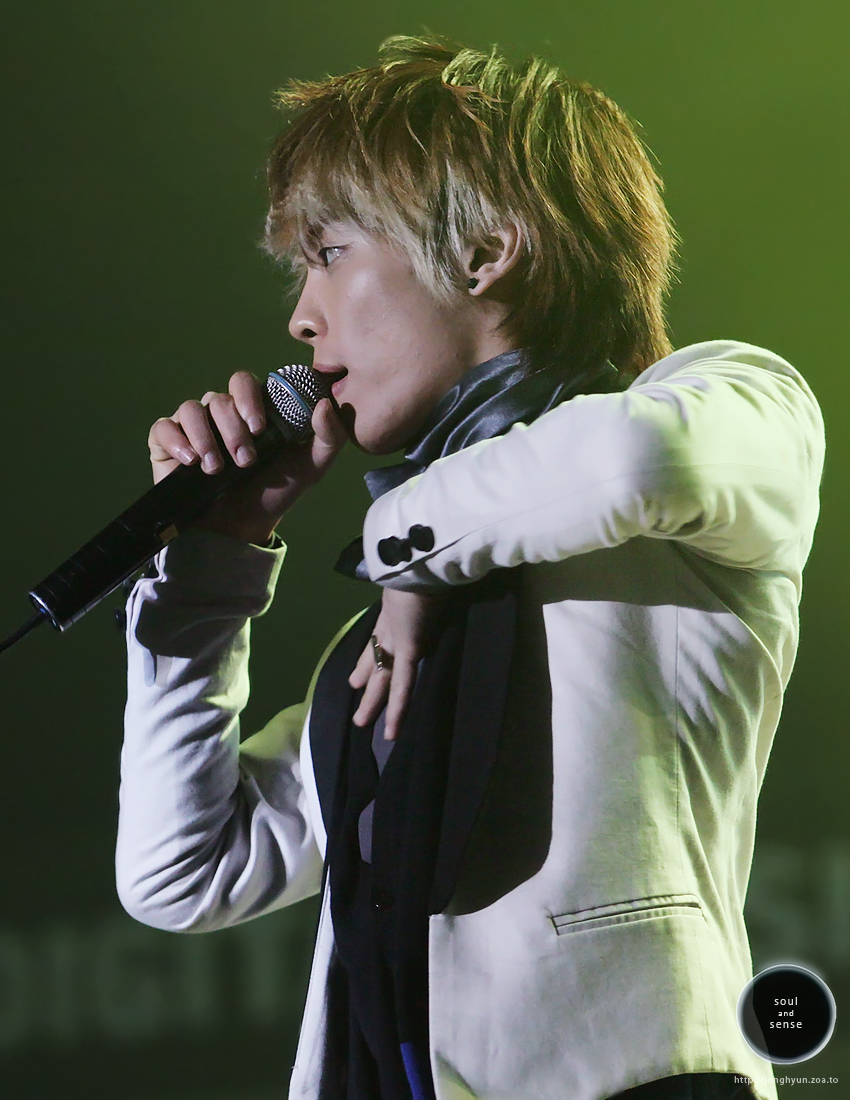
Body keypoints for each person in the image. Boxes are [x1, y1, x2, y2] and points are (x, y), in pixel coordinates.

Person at [115, 35, 824, 1100]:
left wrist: (405, 544)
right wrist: (213, 562)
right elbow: (182, 871)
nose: (300, 316)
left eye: (328, 253)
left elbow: (639, 462)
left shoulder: (733, 403)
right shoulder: (394, 628)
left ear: (485, 252)